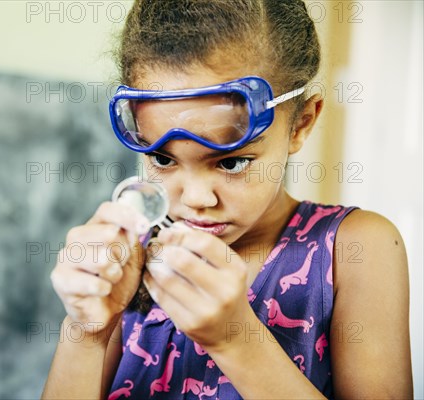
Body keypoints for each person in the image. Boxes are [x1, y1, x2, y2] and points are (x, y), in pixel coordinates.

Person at [41, 1, 413, 398]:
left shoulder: (356, 248)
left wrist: (234, 340)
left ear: (301, 124)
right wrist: (86, 331)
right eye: (163, 159)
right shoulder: (129, 257)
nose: (196, 199)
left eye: (232, 162)